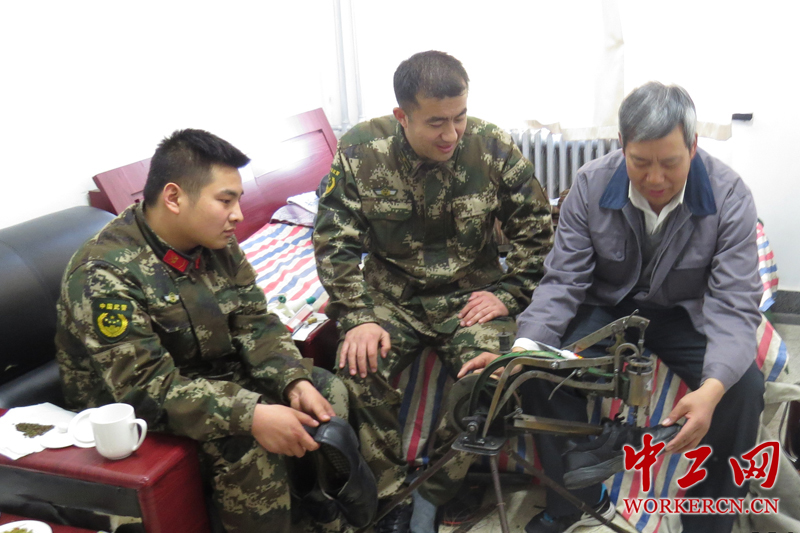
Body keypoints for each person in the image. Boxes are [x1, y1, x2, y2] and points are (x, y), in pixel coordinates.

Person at [461, 81, 765, 533]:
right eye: (640, 162)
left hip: (686, 312)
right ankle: (574, 501)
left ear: (694, 146)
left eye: (670, 163)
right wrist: (521, 351)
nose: (656, 179)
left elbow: (735, 305)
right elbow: (563, 281)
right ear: (621, 144)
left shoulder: (730, 196)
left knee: (743, 389)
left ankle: (709, 520)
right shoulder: (591, 185)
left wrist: (713, 389)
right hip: (609, 306)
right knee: (538, 372)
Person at [56, 129, 354, 533]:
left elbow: (255, 322)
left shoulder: (215, 243)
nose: (238, 215)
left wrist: (292, 379)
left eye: (238, 200)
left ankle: (319, 515)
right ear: (174, 197)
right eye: (225, 201)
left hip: (209, 380)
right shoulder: (104, 274)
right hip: (133, 417)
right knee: (247, 447)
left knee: (326, 393)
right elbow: (145, 389)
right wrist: (250, 415)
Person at [313, 50, 553, 532]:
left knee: (490, 382)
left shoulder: (491, 146)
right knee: (357, 370)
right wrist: (357, 316)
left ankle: (435, 490)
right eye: (436, 122)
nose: (452, 134)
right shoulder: (361, 150)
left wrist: (510, 292)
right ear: (402, 116)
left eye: (459, 117)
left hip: (471, 298)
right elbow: (334, 241)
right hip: (391, 299)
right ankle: (388, 499)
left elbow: (537, 229)